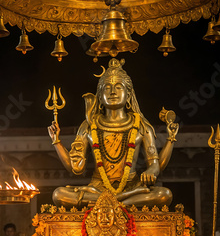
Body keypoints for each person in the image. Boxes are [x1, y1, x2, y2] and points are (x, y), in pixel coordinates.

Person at [48, 58, 178, 208]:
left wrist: (151, 171)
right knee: (59, 194)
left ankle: (109, 203)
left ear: (128, 95)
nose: (112, 92)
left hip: (131, 187)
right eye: (107, 88)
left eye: (118, 87)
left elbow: (155, 165)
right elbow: (75, 168)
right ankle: (122, 203)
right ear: (100, 96)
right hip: (97, 188)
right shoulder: (89, 125)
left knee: (163, 195)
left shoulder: (141, 126)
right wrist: (56, 141)